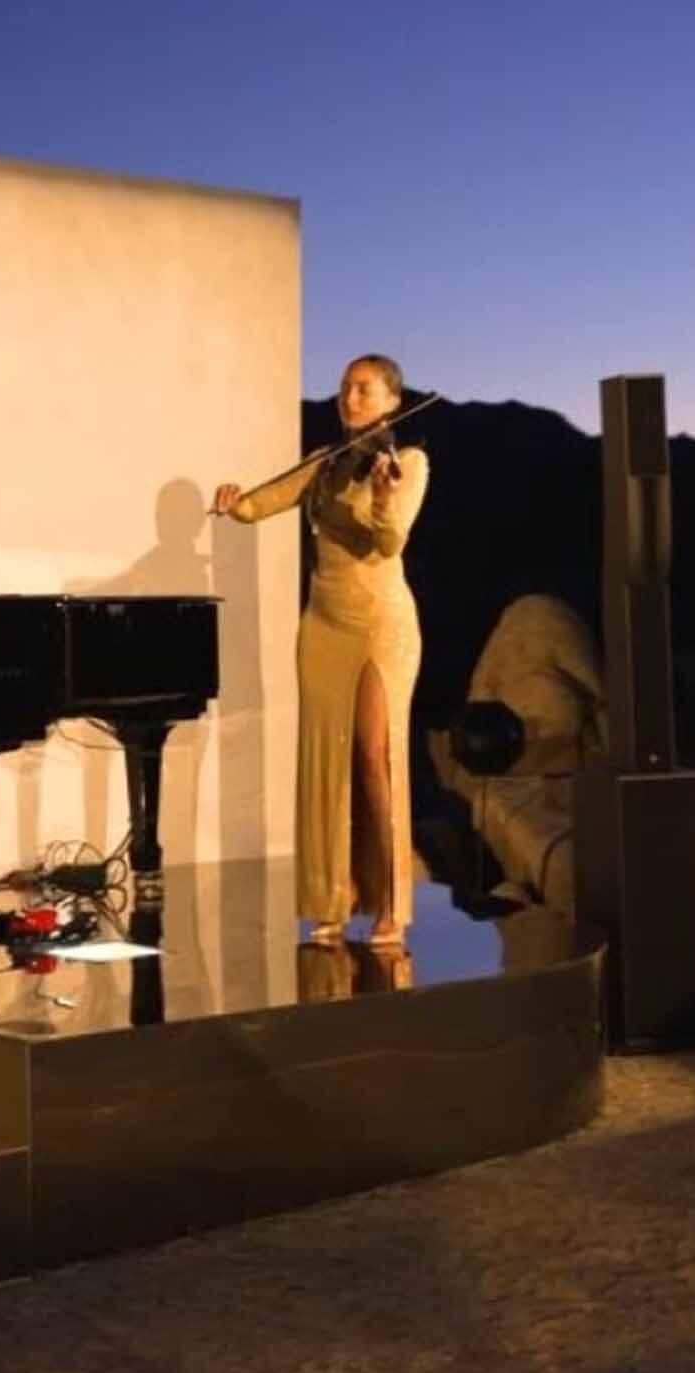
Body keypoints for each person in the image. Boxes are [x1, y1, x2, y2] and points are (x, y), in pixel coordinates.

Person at [213, 354, 430, 947]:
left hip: (381, 624)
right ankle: (332, 898)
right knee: (325, 759)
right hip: (323, 625)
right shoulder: (324, 463)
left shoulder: (408, 462)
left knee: (374, 756)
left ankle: (390, 902)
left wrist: (383, 496)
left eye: (363, 390)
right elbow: (258, 505)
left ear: (392, 400)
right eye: (344, 389)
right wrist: (234, 501)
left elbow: (389, 541)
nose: (349, 399)